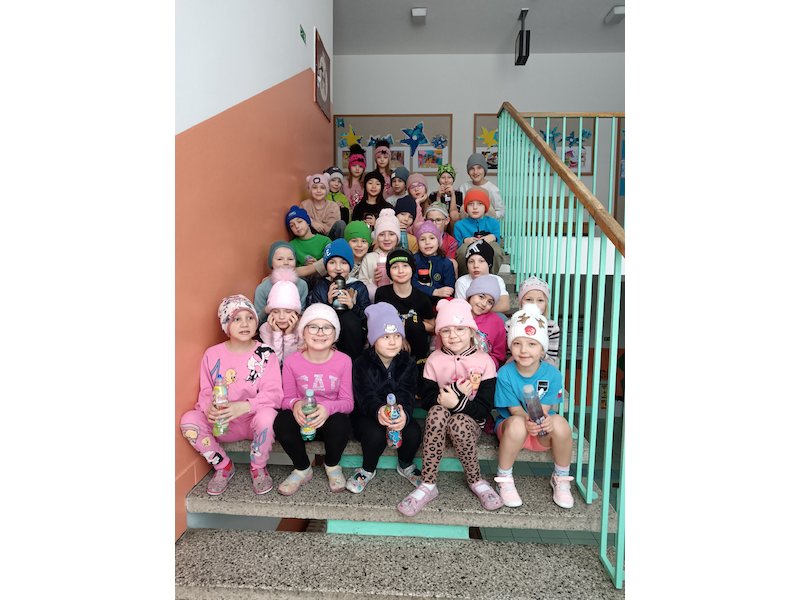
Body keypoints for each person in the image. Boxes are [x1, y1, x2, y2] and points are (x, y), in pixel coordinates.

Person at [397, 299, 502, 516]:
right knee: (437, 411)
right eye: (446, 330)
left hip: (469, 424)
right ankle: (428, 484)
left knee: (459, 422)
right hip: (438, 424)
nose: (453, 335)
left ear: (471, 331)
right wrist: (451, 394)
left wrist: (457, 403)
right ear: (439, 334)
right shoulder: (434, 360)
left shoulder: (484, 361)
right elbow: (427, 400)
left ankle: (476, 480)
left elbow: (484, 408)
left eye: (460, 329)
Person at [179, 295, 282, 496]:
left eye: (250, 318)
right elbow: (206, 392)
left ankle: (258, 467)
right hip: (223, 423)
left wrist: (244, 406)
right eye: (237, 319)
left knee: (268, 416)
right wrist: (209, 409)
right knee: (189, 420)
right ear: (226, 325)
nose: (244, 324)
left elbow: (274, 394)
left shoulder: (266, 353)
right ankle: (223, 466)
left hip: (254, 421)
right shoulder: (212, 354)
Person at [493, 303, 574, 509]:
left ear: (542, 349)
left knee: (561, 424)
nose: (524, 350)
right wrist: (527, 420)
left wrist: (542, 421)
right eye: (517, 343)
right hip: (513, 431)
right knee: (518, 424)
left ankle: (561, 478)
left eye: (532, 344)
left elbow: (545, 408)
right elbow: (514, 410)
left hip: (541, 431)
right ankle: (504, 479)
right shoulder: (505, 373)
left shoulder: (553, 374)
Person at [273, 304, 354, 495]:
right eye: (313, 327)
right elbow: (285, 399)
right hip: (302, 420)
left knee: (341, 422)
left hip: (328, 422)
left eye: (326, 327)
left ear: (335, 334)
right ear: (303, 331)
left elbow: (348, 403)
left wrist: (327, 408)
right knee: (281, 421)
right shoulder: (292, 361)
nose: (320, 333)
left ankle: (332, 465)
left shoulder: (344, 361)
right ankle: (302, 468)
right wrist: (296, 404)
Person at [347, 303, 424, 494]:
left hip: (397, 412)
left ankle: (405, 464)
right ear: (373, 340)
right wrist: (378, 410)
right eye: (385, 337)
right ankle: (367, 469)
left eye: (397, 336)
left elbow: (407, 392)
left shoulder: (407, 362)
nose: (392, 342)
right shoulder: (362, 363)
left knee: (413, 432)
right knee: (375, 435)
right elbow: (364, 395)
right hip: (368, 414)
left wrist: (403, 413)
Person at [375, 248, 435, 384]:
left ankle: (419, 373)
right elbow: (378, 323)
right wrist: (399, 335)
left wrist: (409, 324)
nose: (400, 271)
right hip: (389, 342)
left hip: (417, 346)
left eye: (405, 266)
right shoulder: (382, 293)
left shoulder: (422, 298)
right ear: (389, 271)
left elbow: (432, 326)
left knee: (413, 324)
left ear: (412, 269)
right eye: (395, 267)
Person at [307, 239, 370, 361]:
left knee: (348, 318)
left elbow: (367, 320)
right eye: (332, 262)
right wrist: (328, 303)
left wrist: (352, 306)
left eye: (344, 263)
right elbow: (312, 317)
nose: (338, 268)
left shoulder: (358, 286)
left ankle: (352, 365)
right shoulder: (321, 286)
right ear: (326, 265)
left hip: (353, 337)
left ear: (350, 265)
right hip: (326, 335)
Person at [253, 241, 309, 327]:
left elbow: (302, 312)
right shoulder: (263, 288)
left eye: (290, 259)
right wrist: (266, 310)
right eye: (279, 259)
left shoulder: (302, 285)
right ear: (271, 262)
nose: (286, 262)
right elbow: (256, 321)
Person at [454, 188, 504, 275]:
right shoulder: (459, 225)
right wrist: (464, 241)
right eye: (470, 204)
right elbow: (456, 244)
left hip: (487, 248)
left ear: (485, 207)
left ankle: (491, 276)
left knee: (496, 249)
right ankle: (465, 278)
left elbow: (497, 241)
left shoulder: (493, 222)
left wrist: (493, 237)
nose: (475, 207)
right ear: (466, 208)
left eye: (480, 204)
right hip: (468, 252)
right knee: (462, 250)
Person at [258, 269, 302, 365]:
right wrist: (276, 333)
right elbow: (274, 364)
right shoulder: (265, 329)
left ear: (296, 313)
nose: (281, 317)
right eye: (276, 311)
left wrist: (289, 335)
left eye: (288, 311)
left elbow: (290, 364)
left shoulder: (302, 330)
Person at [454, 240, 510, 314]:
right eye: (471, 261)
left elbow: (505, 305)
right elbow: (461, 309)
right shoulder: (462, 281)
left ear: (489, 264)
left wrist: (479, 310)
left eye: (481, 261)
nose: (475, 265)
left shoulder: (497, 280)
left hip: (489, 317)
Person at [516, 276, 561, 368]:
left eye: (540, 300)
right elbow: (508, 356)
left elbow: (552, 360)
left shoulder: (552, 327)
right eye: (528, 300)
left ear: (546, 304)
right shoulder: (510, 325)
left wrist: (537, 353)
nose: (534, 304)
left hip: (543, 371)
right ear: (520, 302)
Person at [358, 208, 401, 300]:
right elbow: (361, 284)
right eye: (381, 234)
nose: (386, 238)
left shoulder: (401, 257)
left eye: (391, 234)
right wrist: (373, 281)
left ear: (397, 237)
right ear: (376, 237)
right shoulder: (369, 258)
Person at [465, 275, 507, 369]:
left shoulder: (496, 322)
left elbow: (499, 356)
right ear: (471, 294)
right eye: (481, 297)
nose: (484, 304)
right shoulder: (456, 312)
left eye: (490, 302)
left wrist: (485, 367)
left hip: (483, 370)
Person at [412, 220, 455, 299]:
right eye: (422, 239)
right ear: (418, 243)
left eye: (432, 238)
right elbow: (411, 283)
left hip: (440, 301)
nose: (427, 242)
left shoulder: (446, 263)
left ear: (438, 242)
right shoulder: (414, 260)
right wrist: (433, 291)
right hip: (418, 300)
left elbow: (449, 289)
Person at [458, 152, 505, 219]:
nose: (475, 172)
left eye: (479, 168)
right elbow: (458, 210)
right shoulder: (463, 187)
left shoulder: (493, 189)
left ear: (484, 170)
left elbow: (501, 211)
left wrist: (488, 216)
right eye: (472, 168)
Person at [301, 173, 346, 239]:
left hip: (329, 237)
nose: (318, 191)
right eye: (315, 187)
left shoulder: (333, 206)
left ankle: (338, 245)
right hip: (312, 237)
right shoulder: (305, 204)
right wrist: (312, 222)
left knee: (341, 224)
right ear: (310, 189)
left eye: (322, 188)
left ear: (327, 190)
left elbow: (329, 228)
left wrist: (316, 223)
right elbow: (300, 219)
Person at [427, 164, 463, 230]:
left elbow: (455, 214)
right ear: (439, 180)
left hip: (453, 225)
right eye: (443, 178)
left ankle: (453, 236)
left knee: (454, 214)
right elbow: (436, 214)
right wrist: (438, 196)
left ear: (453, 179)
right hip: (439, 223)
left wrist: (453, 195)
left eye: (449, 177)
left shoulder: (459, 194)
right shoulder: (433, 195)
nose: (446, 180)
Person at [425, 202, 459, 266]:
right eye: (430, 220)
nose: (434, 224)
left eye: (438, 220)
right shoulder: (422, 238)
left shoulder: (451, 242)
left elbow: (448, 264)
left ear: (447, 221)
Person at [343, 144, 367, 210]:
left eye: (360, 166)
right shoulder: (344, 183)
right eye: (354, 165)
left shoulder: (367, 183)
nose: (357, 169)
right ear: (349, 167)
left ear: (364, 168)